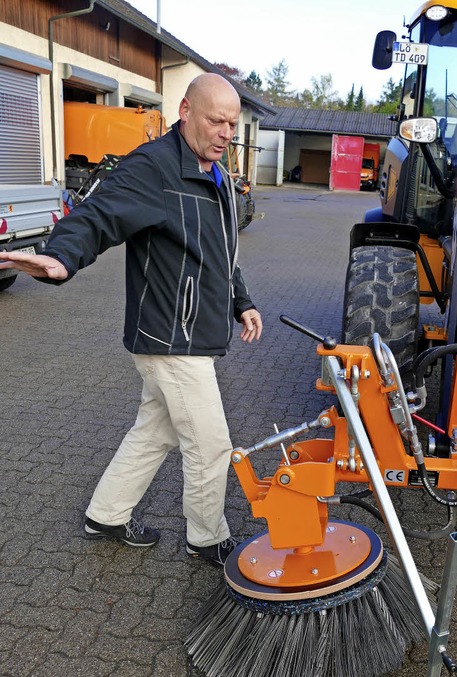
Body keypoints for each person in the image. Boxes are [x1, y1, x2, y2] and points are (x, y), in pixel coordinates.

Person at [0, 73, 262, 566]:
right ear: (185, 111)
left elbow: (223, 253)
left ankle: (106, 514)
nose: (227, 132)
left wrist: (241, 302)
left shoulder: (218, 175)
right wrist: (60, 258)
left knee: (156, 431)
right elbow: (100, 214)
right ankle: (207, 538)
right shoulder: (155, 168)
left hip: (195, 332)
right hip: (169, 336)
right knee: (211, 444)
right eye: (216, 120)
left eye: (231, 123)